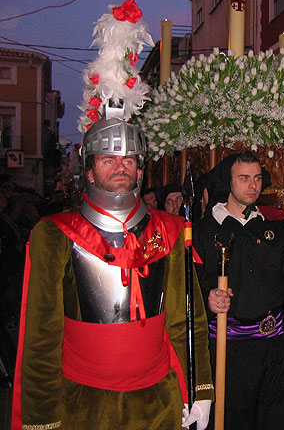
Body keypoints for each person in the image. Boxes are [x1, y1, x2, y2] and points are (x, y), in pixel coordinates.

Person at [11, 118, 214, 429]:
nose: (121, 167)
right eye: (109, 159)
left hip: (158, 401)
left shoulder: (169, 231)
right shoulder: (55, 234)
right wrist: (42, 418)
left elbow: (188, 320)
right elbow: (41, 337)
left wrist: (201, 388)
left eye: (128, 160)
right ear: (90, 171)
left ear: (141, 170)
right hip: (83, 404)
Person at [194, 151, 284, 430]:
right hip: (229, 349)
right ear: (228, 181)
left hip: (273, 347)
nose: (253, 186)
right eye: (244, 178)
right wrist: (207, 297)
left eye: (258, 178)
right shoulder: (205, 230)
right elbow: (190, 284)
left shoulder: (273, 228)